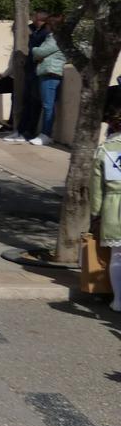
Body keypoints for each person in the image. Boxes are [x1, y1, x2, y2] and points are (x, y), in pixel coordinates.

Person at [90, 99, 121, 313]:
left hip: (113, 205)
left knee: (117, 255)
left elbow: (96, 187)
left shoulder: (105, 149)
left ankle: (118, 300)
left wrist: (96, 213)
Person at [5, 10, 49, 142]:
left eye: (34, 17)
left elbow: (38, 51)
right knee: (26, 101)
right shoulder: (34, 30)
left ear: (39, 19)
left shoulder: (45, 33)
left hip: (38, 71)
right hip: (30, 70)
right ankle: (20, 130)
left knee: (35, 103)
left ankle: (28, 132)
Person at [29, 13, 66, 146]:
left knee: (47, 105)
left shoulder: (53, 38)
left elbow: (39, 52)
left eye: (47, 25)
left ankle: (46, 134)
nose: (45, 27)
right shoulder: (58, 38)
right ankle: (45, 133)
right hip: (51, 72)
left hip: (50, 72)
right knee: (48, 104)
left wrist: (34, 49)